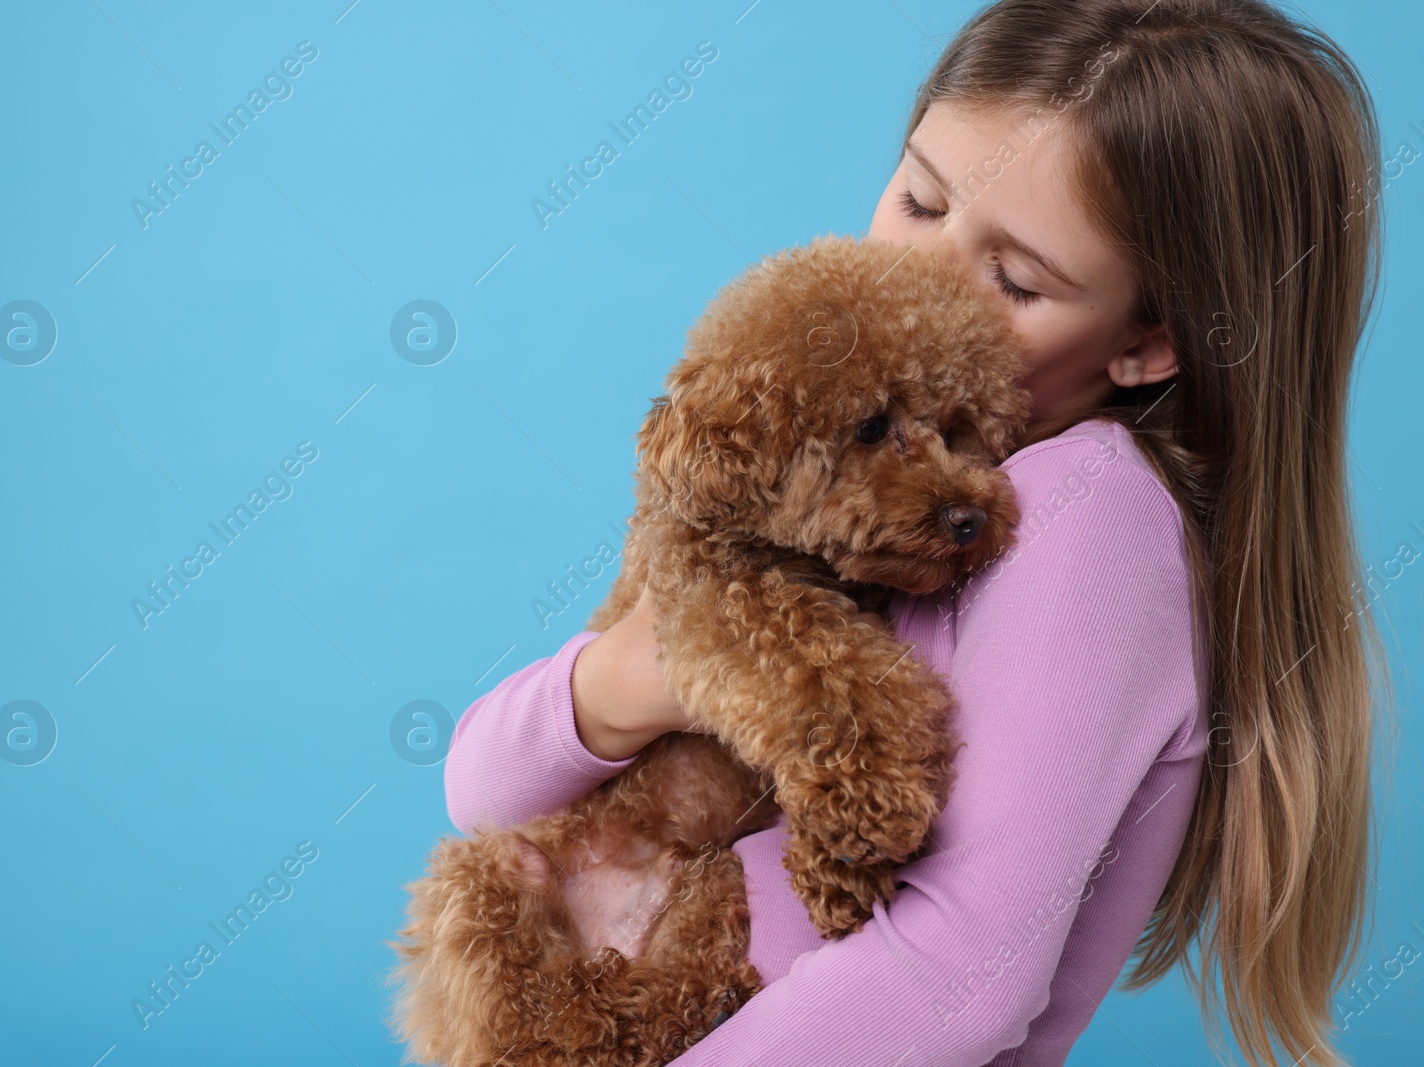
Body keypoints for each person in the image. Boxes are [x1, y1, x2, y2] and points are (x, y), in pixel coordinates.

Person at [440, 1, 1393, 1063]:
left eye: (1014, 280)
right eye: (919, 199)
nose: (920, 282)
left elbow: (960, 977)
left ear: (1149, 339)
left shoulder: (1089, 511)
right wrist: (630, 678)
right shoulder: (850, 507)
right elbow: (483, 793)